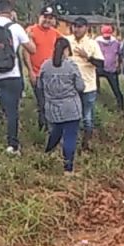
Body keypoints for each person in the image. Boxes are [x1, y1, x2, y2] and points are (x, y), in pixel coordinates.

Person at [0, 1, 36, 154]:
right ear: (11, 13)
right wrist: (27, 37)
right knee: (12, 112)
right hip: (11, 74)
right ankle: (12, 145)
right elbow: (32, 50)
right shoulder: (16, 28)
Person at [40, 37, 86, 175]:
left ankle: (46, 154)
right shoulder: (71, 65)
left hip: (52, 108)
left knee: (56, 131)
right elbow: (81, 86)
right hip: (71, 107)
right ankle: (68, 169)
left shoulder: (45, 65)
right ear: (66, 50)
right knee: (70, 137)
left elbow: (39, 85)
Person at [67, 17, 104, 150]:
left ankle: (86, 144)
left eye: (79, 26)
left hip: (88, 86)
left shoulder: (92, 44)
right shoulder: (67, 41)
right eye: (74, 26)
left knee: (87, 118)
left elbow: (101, 64)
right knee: (72, 116)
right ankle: (72, 143)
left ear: (86, 28)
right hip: (70, 87)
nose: (76, 29)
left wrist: (87, 57)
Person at [26, 6, 61, 130]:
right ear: (39, 17)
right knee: (42, 102)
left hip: (52, 74)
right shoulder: (31, 31)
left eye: (50, 18)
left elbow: (65, 44)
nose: (47, 20)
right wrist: (30, 71)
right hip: (37, 73)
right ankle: (43, 128)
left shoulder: (54, 32)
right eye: (45, 17)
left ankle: (52, 126)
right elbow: (26, 53)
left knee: (51, 101)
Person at [95, 25, 124, 111]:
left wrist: (119, 65)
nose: (107, 38)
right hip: (99, 67)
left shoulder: (116, 42)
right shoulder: (97, 42)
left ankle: (121, 106)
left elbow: (119, 55)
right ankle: (98, 101)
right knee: (94, 85)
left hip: (111, 68)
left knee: (116, 88)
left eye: (108, 36)